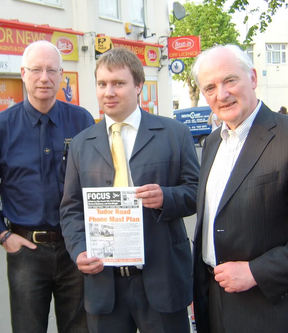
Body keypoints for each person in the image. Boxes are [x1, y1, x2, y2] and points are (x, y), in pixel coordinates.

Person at [191, 44, 288, 333]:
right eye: (210, 87)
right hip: (215, 303)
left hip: (274, 313)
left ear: (253, 78)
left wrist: (255, 272)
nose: (221, 94)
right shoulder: (212, 144)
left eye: (230, 80)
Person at [60, 47, 200, 333]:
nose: (108, 92)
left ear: (138, 86)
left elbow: (197, 193)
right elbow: (71, 209)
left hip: (161, 278)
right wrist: (78, 251)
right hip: (104, 283)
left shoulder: (175, 134)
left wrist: (166, 197)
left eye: (118, 83)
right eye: (102, 84)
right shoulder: (81, 143)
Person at [0, 40, 94, 333]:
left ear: (60, 75)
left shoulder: (81, 120)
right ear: (23, 73)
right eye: (36, 70)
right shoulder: (0, 127)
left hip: (75, 248)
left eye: (51, 70)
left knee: (80, 328)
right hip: (26, 251)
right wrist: (3, 235)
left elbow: (96, 178)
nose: (44, 77)